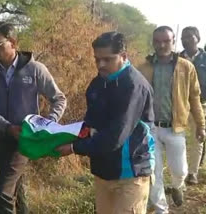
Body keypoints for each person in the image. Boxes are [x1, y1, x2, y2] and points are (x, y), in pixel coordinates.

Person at [57, 31, 155, 214]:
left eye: (107, 60)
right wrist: (58, 136)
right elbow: (90, 124)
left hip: (130, 173)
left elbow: (115, 137)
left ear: (123, 56)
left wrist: (73, 148)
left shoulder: (134, 87)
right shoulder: (98, 83)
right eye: (97, 59)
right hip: (103, 171)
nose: (100, 65)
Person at [0, 21, 66, 214]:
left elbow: (58, 99)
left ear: (13, 43)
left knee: (3, 195)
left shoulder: (35, 69)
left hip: (25, 139)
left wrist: (47, 124)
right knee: (14, 185)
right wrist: (6, 127)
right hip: (0, 136)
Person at [138, 26, 206, 213]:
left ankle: (177, 186)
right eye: (158, 41)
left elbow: (194, 97)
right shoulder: (143, 68)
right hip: (150, 128)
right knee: (154, 172)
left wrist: (201, 125)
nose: (161, 45)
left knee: (180, 170)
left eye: (166, 41)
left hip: (175, 128)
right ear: (153, 42)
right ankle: (161, 209)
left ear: (173, 41)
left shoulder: (186, 67)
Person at [180, 26, 206, 185]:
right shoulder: (177, 58)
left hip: (202, 104)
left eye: (190, 36)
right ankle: (182, 171)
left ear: (198, 38)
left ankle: (193, 173)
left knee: (198, 138)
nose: (186, 40)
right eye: (183, 37)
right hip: (180, 106)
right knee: (179, 139)